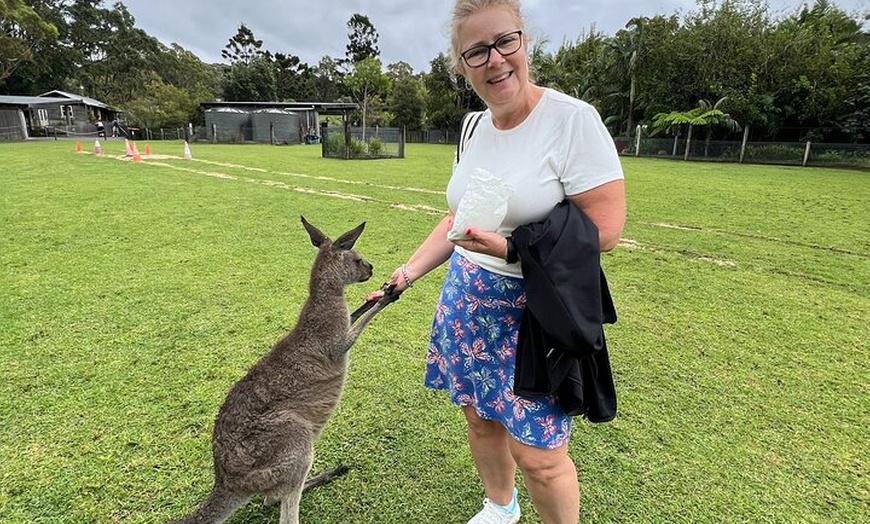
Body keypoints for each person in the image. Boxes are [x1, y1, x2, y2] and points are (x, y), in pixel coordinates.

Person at [370, 1, 626, 522]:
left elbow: (605, 230)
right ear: (461, 66)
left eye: (504, 42)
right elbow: (456, 220)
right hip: (467, 298)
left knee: (541, 456)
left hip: (534, 313)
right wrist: (407, 273)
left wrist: (512, 250)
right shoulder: (472, 128)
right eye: (477, 51)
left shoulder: (573, 121)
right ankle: (500, 507)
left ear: (524, 41)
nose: (495, 60)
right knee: (479, 418)